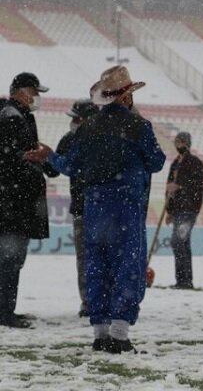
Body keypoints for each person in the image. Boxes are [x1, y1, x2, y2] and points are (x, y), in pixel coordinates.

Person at [24, 66, 165, 353]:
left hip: (95, 206)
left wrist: (50, 155)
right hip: (126, 206)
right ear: (126, 97)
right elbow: (157, 162)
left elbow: (70, 166)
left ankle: (100, 332)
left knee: (97, 266)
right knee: (128, 266)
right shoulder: (138, 126)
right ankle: (120, 333)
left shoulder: (88, 127)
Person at [0, 72, 58, 328]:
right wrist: (33, 159)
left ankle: (7, 308)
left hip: (15, 202)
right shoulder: (11, 117)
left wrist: (41, 159)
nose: (37, 98)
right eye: (34, 92)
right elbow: (14, 158)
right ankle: (4, 312)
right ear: (21, 91)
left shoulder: (20, 116)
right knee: (9, 259)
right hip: (11, 203)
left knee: (12, 260)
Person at [56, 99, 100, 317]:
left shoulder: (105, 139)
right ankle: (89, 302)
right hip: (84, 208)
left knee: (99, 257)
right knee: (86, 258)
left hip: (101, 208)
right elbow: (53, 168)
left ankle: (100, 301)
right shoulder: (69, 139)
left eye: (76, 118)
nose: (72, 122)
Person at [164, 131, 203, 289]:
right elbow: (169, 189)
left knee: (178, 240)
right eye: (176, 142)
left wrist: (179, 187)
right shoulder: (175, 163)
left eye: (181, 142)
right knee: (182, 243)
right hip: (178, 209)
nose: (178, 145)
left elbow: (196, 186)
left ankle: (184, 279)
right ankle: (184, 280)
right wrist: (169, 210)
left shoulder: (195, 163)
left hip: (189, 209)